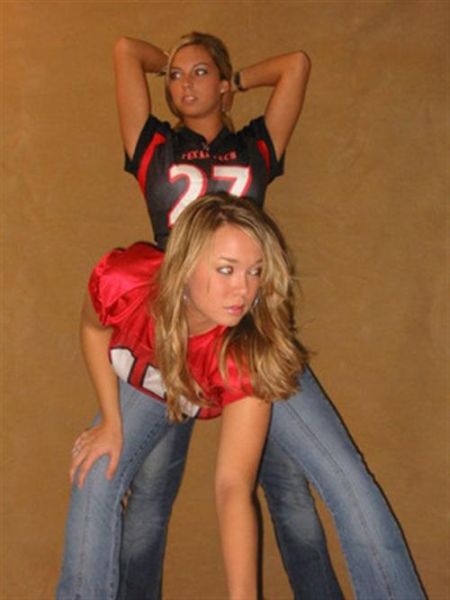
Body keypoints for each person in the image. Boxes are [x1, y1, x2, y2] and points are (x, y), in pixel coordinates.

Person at [113, 32, 426, 600]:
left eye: (201, 72)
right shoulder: (154, 143)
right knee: (150, 497)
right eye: (176, 78)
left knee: (288, 491)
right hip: (175, 334)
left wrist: (234, 78)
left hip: (248, 333)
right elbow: (124, 50)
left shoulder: (254, 146)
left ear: (225, 85)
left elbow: (296, 65)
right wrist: (168, 61)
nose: (185, 83)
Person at [57, 193, 307, 600]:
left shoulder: (244, 355)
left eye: (255, 272)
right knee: (97, 472)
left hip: (193, 386)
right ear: (187, 263)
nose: (242, 289)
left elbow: (232, 486)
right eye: (226, 269)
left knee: (152, 502)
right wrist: (110, 419)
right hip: (145, 380)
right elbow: (92, 329)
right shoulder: (125, 281)